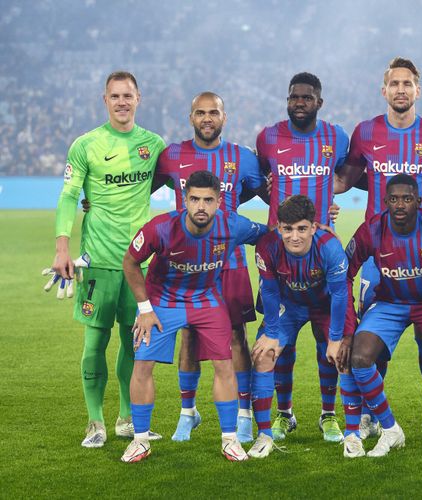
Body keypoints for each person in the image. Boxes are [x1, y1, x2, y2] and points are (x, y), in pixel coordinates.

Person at [335, 57, 422, 439]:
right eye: (394, 83)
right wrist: (294, 188)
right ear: (384, 90)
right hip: (377, 253)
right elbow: (345, 180)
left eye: (407, 83)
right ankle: (368, 414)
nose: (400, 89)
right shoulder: (365, 132)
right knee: (371, 340)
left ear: (417, 90)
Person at [120, 170, 267, 463]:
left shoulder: (233, 225)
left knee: (224, 365)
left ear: (219, 202)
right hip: (162, 301)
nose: (201, 206)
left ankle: (230, 440)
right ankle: (140, 441)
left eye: (208, 200)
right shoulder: (160, 228)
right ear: (185, 200)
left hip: (206, 300)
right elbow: (130, 262)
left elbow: (271, 234)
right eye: (195, 199)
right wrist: (145, 309)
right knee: (143, 365)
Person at [51, 71, 165, 448]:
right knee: (95, 342)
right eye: (115, 96)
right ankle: (95, 421)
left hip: (139, 264)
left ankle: (126, 419)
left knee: (135, 344)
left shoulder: (154, 144)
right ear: (105, 100)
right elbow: (69, 196)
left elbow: (179, 181)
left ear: (138, 98)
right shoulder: (86, 145)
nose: (121, 102)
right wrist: (62, 248)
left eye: (127, 95)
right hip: (98, 261)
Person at [153, 91, 265, 443]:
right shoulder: (172, 156)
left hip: (230, 262)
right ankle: (188, 413)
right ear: (191, 118)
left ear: (223, 117)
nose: (207, 118)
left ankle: (244, 414)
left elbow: (270, 195)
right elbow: (142, 188)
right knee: (188, 335)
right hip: (186, 265)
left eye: (213, 112)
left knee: (235, 336)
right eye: (200, 113)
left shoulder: (243, 158)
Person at [255, 72, 349, 441]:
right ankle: (285, 414)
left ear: (319, 102)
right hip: (282, 258)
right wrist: (280, 213)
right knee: (281, 345)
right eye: (294, 96)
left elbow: (348, 174)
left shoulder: (336, 137)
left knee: (330, 347)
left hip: (320, 255)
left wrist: (330, 202)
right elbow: (260, 181)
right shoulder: (268, 138)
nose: (299, 102)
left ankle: (329, 414)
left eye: (307, 97)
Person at [338, 174, 422, 458]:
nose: (400, 204)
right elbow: (344, 274)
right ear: (385, 201)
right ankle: (390, 429)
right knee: (359, 358)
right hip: (389, 303)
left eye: (406, 198)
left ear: (419, 201)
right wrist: (348, 331)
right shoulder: (371, 230)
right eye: (394, 199)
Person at [248, 195, 355, 457]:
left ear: (314, 227)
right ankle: (269, 430)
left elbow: (340, 294)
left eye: (302, 229)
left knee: (342, 355)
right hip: (288, 304)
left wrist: (335, 338)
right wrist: (272, 334)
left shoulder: (330, 247)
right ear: (279, 227)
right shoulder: (267, 246)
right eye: (287, 229)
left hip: (324, 304)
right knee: (264, 354)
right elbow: (269, 290)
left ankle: (332, 419)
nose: (294, 237)